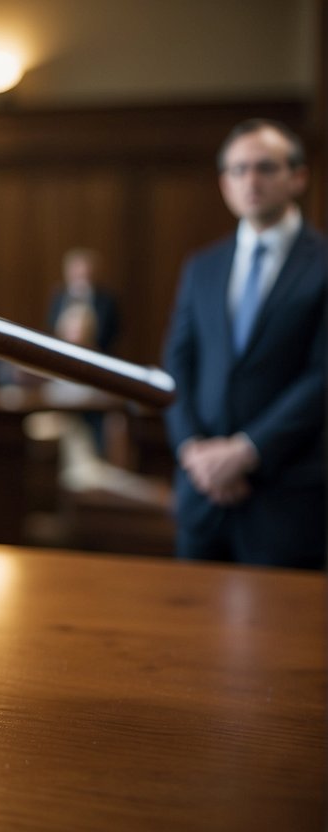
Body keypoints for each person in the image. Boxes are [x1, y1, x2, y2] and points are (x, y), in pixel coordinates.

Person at [162, 118, 326, 569]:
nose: (250, 180)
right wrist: (193, 451)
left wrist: (245, 452)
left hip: (286, 496)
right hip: (201, 493)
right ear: (224, 184)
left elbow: (322, 377)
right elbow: (177, 364)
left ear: (298, 177)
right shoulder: (203, 266)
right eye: (238, 170)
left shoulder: (322, 264)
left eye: (265, 167)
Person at [46, 247, 120, 355]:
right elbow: (50, 324)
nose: (80, 275)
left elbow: (112, 332)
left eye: (84, 271)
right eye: (76, 271)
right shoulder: (58, 295)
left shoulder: (107, 300)